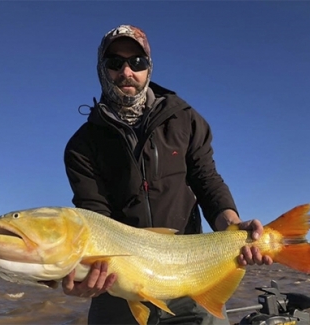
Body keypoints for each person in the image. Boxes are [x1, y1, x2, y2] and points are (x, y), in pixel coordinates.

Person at [62, 24, 273, 325]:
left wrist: (233, 225)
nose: (127, 72)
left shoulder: (185, 119)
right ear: (102, 69)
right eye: (114, 63)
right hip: (119, 284)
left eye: (137, 62)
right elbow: (95, 217)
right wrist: (84, 273)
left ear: (149, 68)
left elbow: (207, 180)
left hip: (191, 271)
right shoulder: (81, 146)